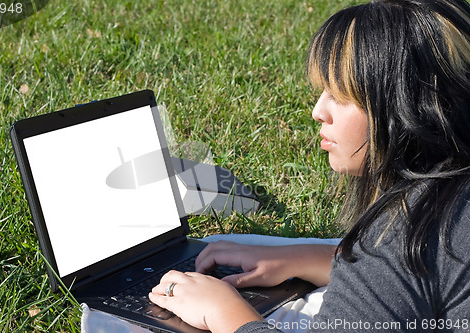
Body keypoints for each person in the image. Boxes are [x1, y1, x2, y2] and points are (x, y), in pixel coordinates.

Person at [148, 0, 470, 331]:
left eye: (341, 95)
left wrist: (223, 311)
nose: (318, 111)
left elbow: (401, 267)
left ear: (410, 108)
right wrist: (315, 259)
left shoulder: (406, 235)